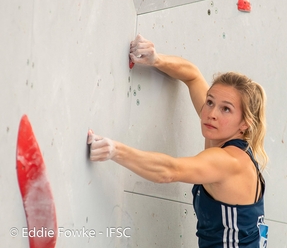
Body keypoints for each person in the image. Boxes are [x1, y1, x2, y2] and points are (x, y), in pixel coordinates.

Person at [87, 34, 269, 247]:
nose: (211, 113)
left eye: (226, 109)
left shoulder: (229, 161)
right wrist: (156, 59)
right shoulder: (220, 131)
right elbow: (192, 76)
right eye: (210, 102)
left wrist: (114, 150)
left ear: (244, 124)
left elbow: (169, 170)